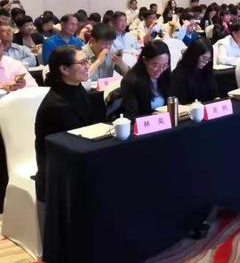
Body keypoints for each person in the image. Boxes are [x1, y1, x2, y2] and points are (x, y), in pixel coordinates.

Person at [34, 46, 106, 203]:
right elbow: (75, 140)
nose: (88, 66)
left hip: (77, 154)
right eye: (82, 62)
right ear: (64, 69)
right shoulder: (56, 104)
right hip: (59, 170)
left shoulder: (77, 88)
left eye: (87, 61)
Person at [120, 40, 171, 119]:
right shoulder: (131, 81)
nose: (160, 70)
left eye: (165, 65)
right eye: (156, 65)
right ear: (144, 60)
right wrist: (153, 117)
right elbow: (132, 115)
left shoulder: (165, 75)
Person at [170, 39, 218, 104]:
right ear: (194, 55)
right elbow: (180, 101)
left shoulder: (207, 69)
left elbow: (214, 93)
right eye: (204, 58)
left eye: (209, 59)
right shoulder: (180, 73)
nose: (206, 62)